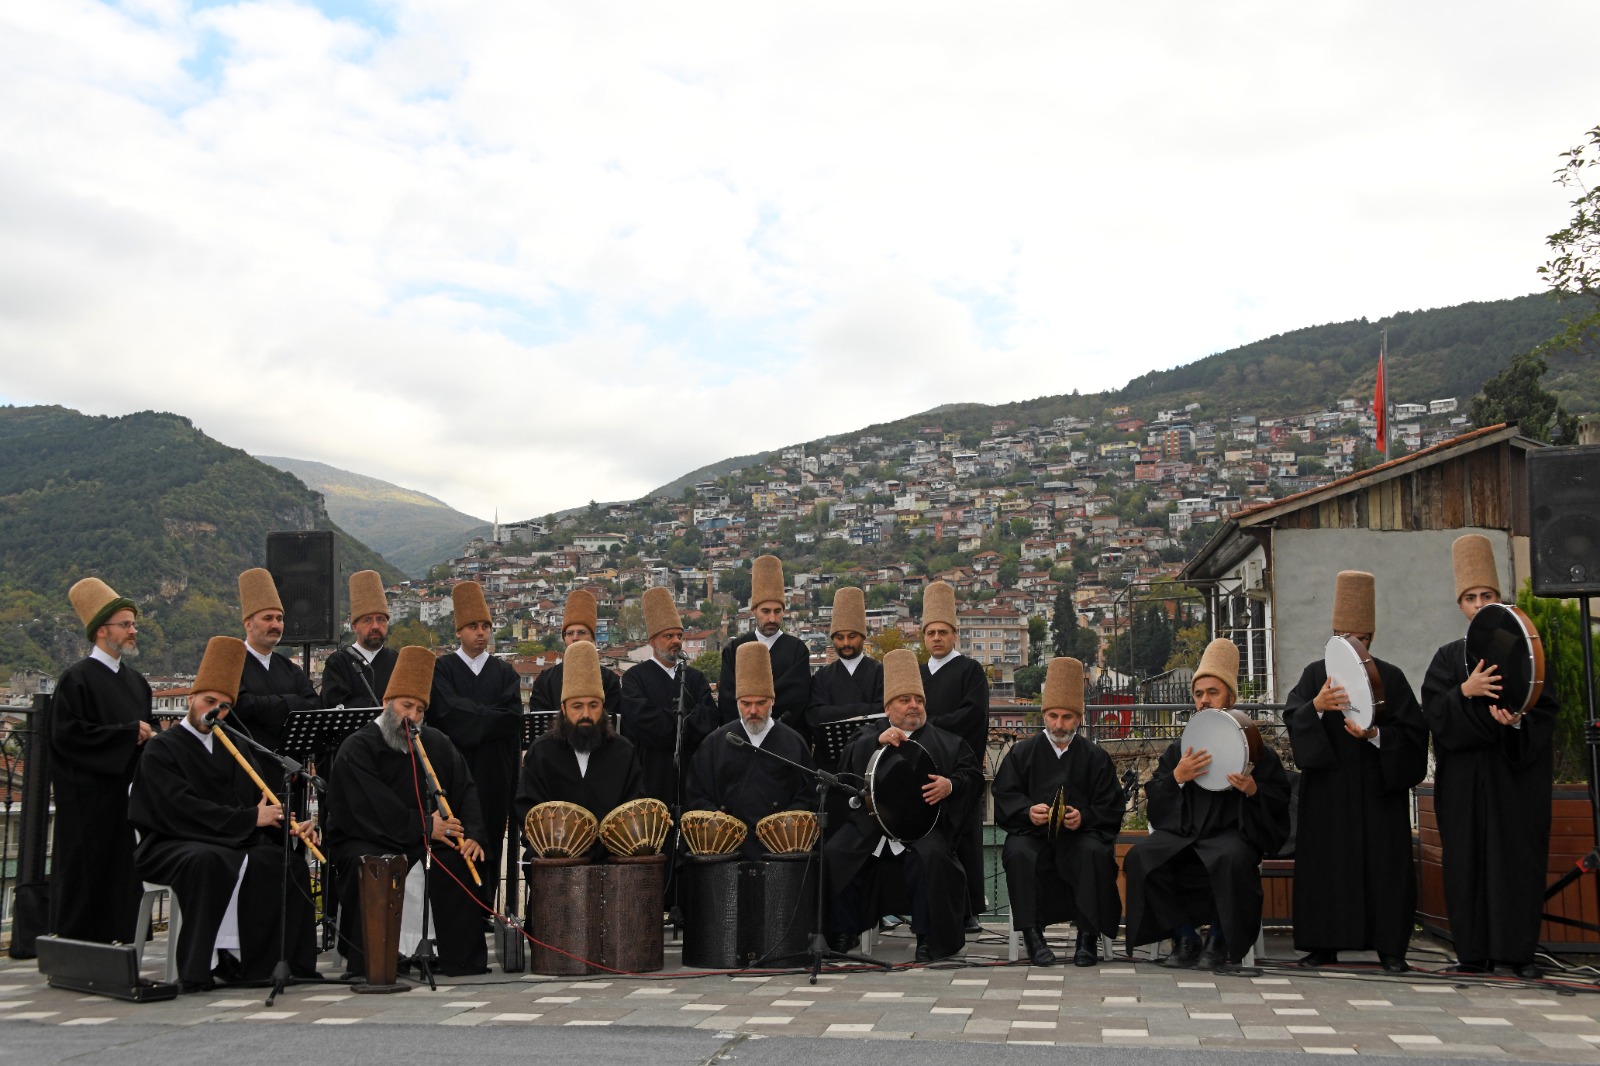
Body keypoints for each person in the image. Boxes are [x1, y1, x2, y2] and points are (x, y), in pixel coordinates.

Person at [128, 636, 320, 991]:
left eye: (225, 706)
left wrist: (288, 826)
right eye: (209, 701)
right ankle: (206, 964)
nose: (215, 711)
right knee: (212, 861)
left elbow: (257, 803)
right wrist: (249, 820)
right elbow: (178, 808)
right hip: (171, 842)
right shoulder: (161, 749)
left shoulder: (235, 749)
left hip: (229, 837)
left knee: (285, 862)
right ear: (191, 700)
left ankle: (267, 964)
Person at [1421, 533, 1557, 979]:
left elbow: (1544, 710)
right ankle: (1473, 955)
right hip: (1463, 784)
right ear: (1460, 605)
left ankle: (1518, 954)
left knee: (1514, 862)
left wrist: (1514, 722)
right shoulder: (1448, 659)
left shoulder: (1527, 652)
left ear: (1500, 599)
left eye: (1487, 595)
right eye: (1471, 597)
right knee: (1466, 864)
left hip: (1512, 782)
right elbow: (1435, 716)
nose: (1479, 603)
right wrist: (1465, 691)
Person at [1283, 569, 1427, 973]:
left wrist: (1377, 734)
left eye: (1359, 638)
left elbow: (1414, 734)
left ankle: (1391, 949)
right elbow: (1294, 716)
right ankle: (1322, 944)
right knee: (1327, 868)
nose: (1352, 645)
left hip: (1379, 794)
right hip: (1328, 793)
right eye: (1343, 636)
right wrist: (1316, 706)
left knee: (1384, 868)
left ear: (1371, 640)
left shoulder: (1392, 677)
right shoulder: (1316, 675)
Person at [1123, 639, 1291, 972]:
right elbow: (1156, 798)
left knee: (1229, 858)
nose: (1203, 700)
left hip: (1231, 835)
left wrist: (1254, 790)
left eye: (1212, 692)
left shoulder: (1256, 750)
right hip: (1185, 834)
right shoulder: (1180, 747)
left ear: (1230, 696)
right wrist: (1177, 777)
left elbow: (1278, 801)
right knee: (1139, 857)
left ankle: (1219, 939)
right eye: (1198, 694)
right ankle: (1185, 936)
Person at [325, 646, 489, 978]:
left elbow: (465, 789)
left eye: (418, 709)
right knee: (376, 865)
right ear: (388, 703)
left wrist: (472, 835)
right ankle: (381, 957)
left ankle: (453, 956)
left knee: (459, 861)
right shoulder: (359, 746)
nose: (411, 716)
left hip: (427, 836)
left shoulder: (436, 741)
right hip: (368, 838)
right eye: (405, 706)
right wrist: (426, 825)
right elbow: (369, 808)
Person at [823, 649, 982, 963]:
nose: (914, 705)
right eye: (905, 699)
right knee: (835, 853)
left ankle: (929, 938)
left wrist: (950, 785)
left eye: (918, 700)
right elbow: (847, 764)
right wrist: (876, 741)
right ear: (888, 707)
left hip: (924, 828)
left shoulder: (947, 742)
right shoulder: (868, 736)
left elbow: (972, 776)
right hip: (872, 825)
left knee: (933, 857)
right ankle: (842, 931)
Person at [992, 656, 1124, 967]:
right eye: (1053, 716)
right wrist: (1027, 812)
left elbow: (1111, 805)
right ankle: (1033, 937)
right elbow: (1005, 796)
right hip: (1033, 835)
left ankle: (1087, 937)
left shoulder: (1095, 756)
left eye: (1067, 717)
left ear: (1078, 718)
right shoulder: (1022, 753)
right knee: (1018, 852)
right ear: (1044, 715)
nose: (1059, 724)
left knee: (1093, 852)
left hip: (1081, 837)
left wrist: (1085, 817)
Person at [48, 577, 155, 944]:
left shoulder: (137, 682)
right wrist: (126, 734)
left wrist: (146, 737)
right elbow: (68, 737)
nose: (132, 631)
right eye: (125, 624)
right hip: (87, 800)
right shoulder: (76, 679)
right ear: (101, 631)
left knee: (123, 869)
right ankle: (79, 947)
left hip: (124, 797)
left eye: (133, 624)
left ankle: (123, 939)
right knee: (87, 871)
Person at [426, 581, 522, 904]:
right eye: (472, 627)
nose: (480, 633)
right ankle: (456, 912)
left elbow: (511, 719)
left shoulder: (505, 672)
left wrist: (472, 719)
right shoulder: (442, 670)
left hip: (495, 775)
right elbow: (446, 715)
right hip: (452, 775)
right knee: (454, 842)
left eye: (485, 626)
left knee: (490, 841)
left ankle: (485, 909)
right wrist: (488, 718)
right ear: (458, 631)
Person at [514, 641, 643, 861]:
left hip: (610, 864)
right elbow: (528, 812)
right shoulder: (542, 752)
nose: (586, 714)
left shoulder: (624, 753)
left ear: (603, 708)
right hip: (554, 862)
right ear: (563, 709)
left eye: (593, 705)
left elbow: (634, 811)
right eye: (577, 706)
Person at [689, 642, 818, 858]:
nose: (753, 711)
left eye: (761, 703)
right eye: (746, 703)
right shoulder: (714, 744)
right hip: (727, 848)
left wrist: (780, 825)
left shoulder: (793, 742)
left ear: (773, 700)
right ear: (737, 701)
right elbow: (696, 795)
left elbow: (808, 796)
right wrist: (720, 821)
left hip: (780, 849)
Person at [918, 579, 990, 930]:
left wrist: (931, 727)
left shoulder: (970, 671)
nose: (936, 638)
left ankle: (969, 909)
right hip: (924, 769)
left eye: (942, 631)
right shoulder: (918, 675)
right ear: (923, 636)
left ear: (954, 635)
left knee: (965, 839)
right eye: (930, 632)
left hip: (960, 768)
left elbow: (972, 714)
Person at [618, 587, 719, 809]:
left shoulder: (694, 677)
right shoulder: (635, 677)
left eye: (679, 636)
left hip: (691, 771)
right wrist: (684, 725)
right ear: (652, 641)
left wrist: (675, 725)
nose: (675, 641)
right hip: (651, 771)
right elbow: (639, 720)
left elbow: (709, 718)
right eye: (668, 636)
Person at [806, 586, 884, 833]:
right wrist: (864, 711)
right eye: (839, 637)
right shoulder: (822, 677)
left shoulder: (880, 671)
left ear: (863, 636)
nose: (846, 643)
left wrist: (837, 713)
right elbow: (815, 717)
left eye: (852, 636)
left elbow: (885, 713)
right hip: (831, 771)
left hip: (872, 769)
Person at [231, 568, 320, 754]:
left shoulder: (289, 668)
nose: (275, 625)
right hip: (243, 762)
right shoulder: (231, 663)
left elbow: (313, 706)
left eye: (279, 619)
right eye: (268, 618)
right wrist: (291, 702)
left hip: (286, 766)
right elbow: (239, 707)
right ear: (248, 624)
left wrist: (262, 706)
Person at [718, 555, 811, 730]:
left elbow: (797, 699)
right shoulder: (734, 649)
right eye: (765, 611)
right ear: (754, 610)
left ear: (784, 611)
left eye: (777, 611)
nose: (772, 618)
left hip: (786, 738)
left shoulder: (797, 650)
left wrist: (769, 729)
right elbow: (727, 698)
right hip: (743, 739)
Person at [527, 589, 622, 718]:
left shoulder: (609, 680)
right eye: (570, 633)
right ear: (564, 639)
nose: (575, 638)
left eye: (581, 632)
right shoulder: (545, 680)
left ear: (592, 638)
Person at [320, 570, 399, 711]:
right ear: (355, 626)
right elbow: (334, 703)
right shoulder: (338, 662)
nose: (375, 626)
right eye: (367, 620)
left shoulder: (398, 661)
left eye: (381, 619)